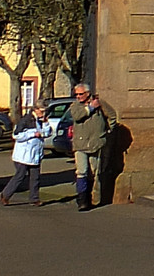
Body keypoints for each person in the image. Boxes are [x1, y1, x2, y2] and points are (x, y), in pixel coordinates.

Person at [67, 83, 114, 211]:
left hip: (96, 143)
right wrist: (91, 108)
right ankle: (82, 200)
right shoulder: (75, 106)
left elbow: (112, 116)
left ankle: (91, 198)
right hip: (80, 145)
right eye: (76, 94)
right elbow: (77, 116)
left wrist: (108, 131)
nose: (78, 96)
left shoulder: (100, 103)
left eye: (81, 94)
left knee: (94, 172)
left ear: (88, 93)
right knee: (81, 171)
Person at [0, 104, 57, 206]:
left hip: (36, 154)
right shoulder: (25, 120)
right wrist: (32, 134)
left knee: (35, 177)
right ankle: (5, 195)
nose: (43, 113)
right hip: (23, 155)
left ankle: (34, 198)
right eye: (42, 111)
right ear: (35, 109)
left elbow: (47, 133)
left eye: (44, 111)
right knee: (20, 176)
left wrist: (46, 123)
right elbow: (16, 135)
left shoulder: (41, 120)